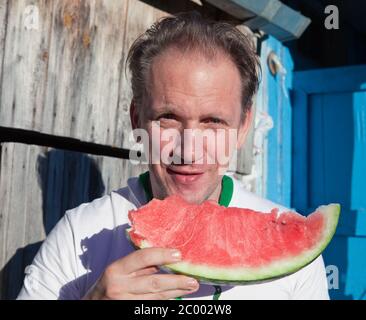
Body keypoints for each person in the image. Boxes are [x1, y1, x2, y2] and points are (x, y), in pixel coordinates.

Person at [17, 12, 329, 300]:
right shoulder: (76, 234)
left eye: (213, 121)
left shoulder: (299, 257)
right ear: (137, 119)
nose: (188, 149)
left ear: (243, 127)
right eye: (168, 117)